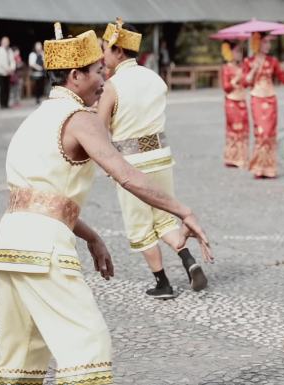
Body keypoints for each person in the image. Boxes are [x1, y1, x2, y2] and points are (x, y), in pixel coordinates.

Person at [0, 26, 212, 385]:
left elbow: (38, 197)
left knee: (22, 359)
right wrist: (182, 210)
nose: (104, 80)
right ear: (75, 76)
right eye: (97, 72)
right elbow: (126, 174)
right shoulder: (79, 119)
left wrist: (91, 235)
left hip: (8, 247)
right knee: (87, 351)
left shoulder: (34, 120)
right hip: (45, 250)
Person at [97, 19, 213, 299]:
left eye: (105, 49)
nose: (102, 56)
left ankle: (163, 283)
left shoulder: (112, 86)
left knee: (140, 226)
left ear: (119, 51)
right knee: (162, 218)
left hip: (131, 162)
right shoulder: (154, 78)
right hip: (161, 156)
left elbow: (99, 128)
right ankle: (188, 261)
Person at [243, 32, 284, 178]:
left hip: (271, 98)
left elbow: (283, 78)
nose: (268, 45)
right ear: (257, 43)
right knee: (261, 133)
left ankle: (269, 167)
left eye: (269, 42)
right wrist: (254, 69)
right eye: (265, 42)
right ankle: (258, 166)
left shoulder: (273, 61)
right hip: (257, 98)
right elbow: (245, 82)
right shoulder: (249, 61)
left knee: (270, 133)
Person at [220, 40, 249, 168]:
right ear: (229, 52)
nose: (239, 54)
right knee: (234, 128)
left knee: (244, 128)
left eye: (240, 51)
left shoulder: (241, 68)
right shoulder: (226, 69)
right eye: (237, 51)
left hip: (242, 100)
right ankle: (232, 157)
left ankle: (242, 156)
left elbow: (246, 84)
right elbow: (225, 87)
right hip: (231, 101)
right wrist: (235, 80)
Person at [0, 36, 15, 109]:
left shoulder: (10, 50)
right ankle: (2, 104)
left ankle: (6, 103)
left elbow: (12, 60)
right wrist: (7, 69)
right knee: (2, 89)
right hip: (2, 72)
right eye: (5, 41)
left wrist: (12, 68)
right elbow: (0, 62)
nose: (6, 43)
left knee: (7, 88)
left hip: (9, 72)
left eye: (7, 41)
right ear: (2, 42)